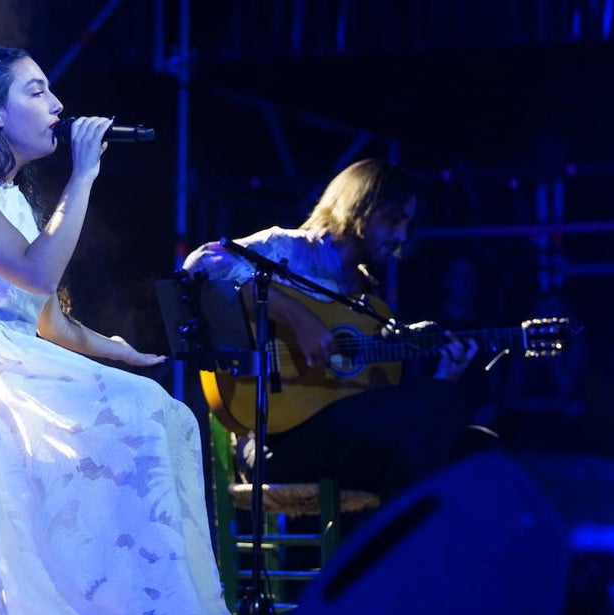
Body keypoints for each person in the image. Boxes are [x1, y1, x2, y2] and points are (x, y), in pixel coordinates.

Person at [0, 45, 275, 615]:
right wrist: (83, 175)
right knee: (135, 419)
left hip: (9, 362)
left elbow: (44, 317)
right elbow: (37, 270)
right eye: (35, 92)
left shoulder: (9, 196)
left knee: (164, 413)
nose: (57, 106)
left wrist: (112, 348)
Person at [182, 158, 483, 503]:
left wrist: (443, 377)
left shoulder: (366, 293)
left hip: (338, 438)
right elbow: (201, 265)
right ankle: (392, 547)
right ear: (360, 206)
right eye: (392, 220)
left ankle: (387, 546)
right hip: (273, 442)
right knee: (440, 407)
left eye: (407, 224)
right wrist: (299, 318)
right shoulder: (289, 249)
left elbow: (366, 397)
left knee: (476, 445)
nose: (401, 236)